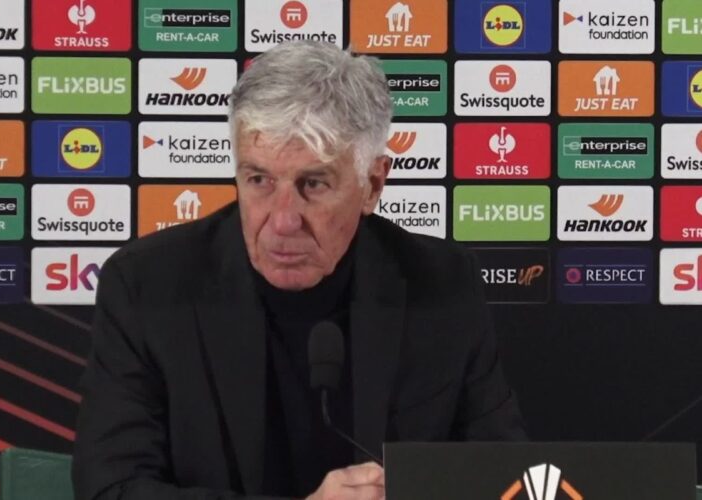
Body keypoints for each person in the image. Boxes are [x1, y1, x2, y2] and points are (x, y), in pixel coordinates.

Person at [72, 41, 526, 500]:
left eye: (313, 183)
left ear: (372, 184)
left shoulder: (442, 284)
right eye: (259, 180)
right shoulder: (146, 286)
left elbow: (506, 479)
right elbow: (111, 489)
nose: (284, 220)